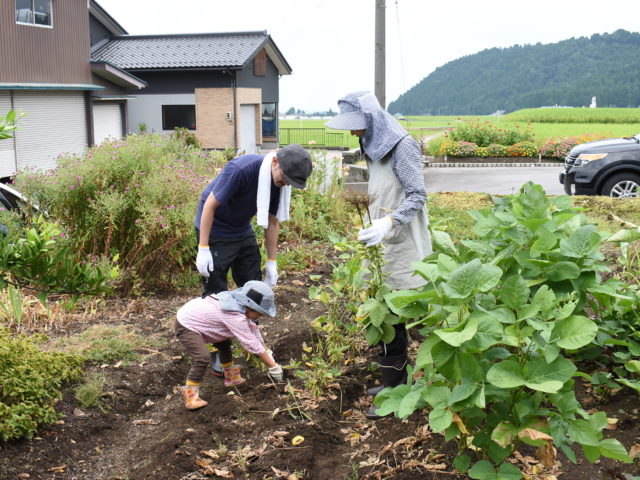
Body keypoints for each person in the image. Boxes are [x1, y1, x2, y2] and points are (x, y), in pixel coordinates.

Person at [325, 91, 432, 419]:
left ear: (372, 119)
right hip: (383, 243)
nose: (353, 133)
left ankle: (400, 390)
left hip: (403, 243)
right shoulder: (372, 144)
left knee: (398, 315)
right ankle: (392, 382)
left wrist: (389, 222)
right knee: (384, 311)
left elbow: (417, 195)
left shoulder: (403, 145)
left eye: (357, 126)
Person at [194, 144, 313, 375]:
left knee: (254, 288)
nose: (286, 184)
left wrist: (272, 261)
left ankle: (253, 343)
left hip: (241, 229)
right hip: (215, 229)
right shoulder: (242, 169)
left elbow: (272, 220)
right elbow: (209, 204)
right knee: (217, 292)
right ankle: (222, 354)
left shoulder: (278, 181)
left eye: (291, 182)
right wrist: (203, 247)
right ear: (275, 162)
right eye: (285, 178)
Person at [175, 280, 284, 410]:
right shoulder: (233, 314)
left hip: (204, 321)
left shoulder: (239, 305)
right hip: (187, 325)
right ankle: (190, 398)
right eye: (260, 312)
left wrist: (266, 349)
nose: (260, 315)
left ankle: (231, 378)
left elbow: (253, 329)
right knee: (202, 357)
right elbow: (250, 342)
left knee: (224, 343)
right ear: (249, 306)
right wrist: (273, 366)